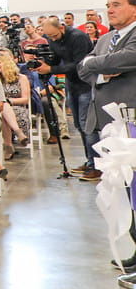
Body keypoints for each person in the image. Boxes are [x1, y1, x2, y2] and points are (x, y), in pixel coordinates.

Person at [80, 0, 136, 269]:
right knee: (123, 191)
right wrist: (102, 71)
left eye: (116, 5)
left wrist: (95, 63)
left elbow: (127, 58)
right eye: (108, 6)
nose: (110, 10)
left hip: (132, 122)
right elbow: (82, 69)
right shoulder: (105, 39)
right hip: (109, 125)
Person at [33, 18, 98, 177]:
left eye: (54, 36)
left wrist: (51, 69)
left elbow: (79, 64)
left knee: (87, 125)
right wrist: (43, 64)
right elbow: (55, 59)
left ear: (62, 27)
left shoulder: (78, 37)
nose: (53, 39)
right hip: (72, 84)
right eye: (49, 37)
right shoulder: (52, 38)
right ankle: (89, 161)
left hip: (86, 83)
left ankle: (97, 165)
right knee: (78, 124)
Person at [0, 52, 31, 155]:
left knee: (5, 111)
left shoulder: (21, 78)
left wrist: (8, 101)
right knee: (4, 108)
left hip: (18, 108)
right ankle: (18, 132)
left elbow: (25, 99)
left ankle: (8, 145)